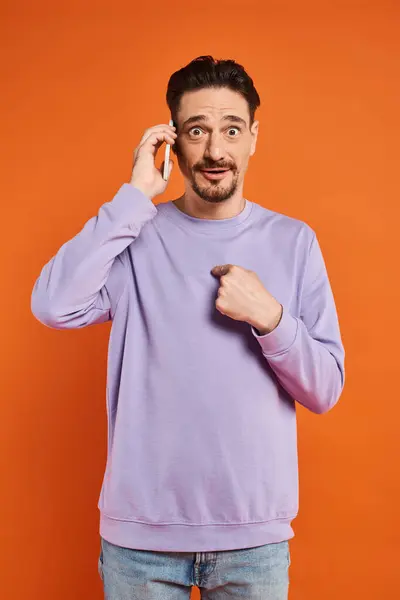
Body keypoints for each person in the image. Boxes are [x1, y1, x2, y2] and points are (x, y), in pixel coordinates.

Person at [31, 55, 345, 599]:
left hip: (254, 541)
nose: (216, 151)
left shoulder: (295, 241)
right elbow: (54, 306)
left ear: (253, 138)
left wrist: (269, 318)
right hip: (140, 541)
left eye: (231, 129)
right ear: (172, 142)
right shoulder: (135, 236)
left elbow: (324, 390)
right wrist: (133, 198)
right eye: (197, 131)